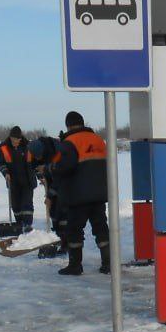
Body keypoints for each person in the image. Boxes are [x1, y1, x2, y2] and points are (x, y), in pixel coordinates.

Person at [49, 110, 109, 276]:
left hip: (78, 195)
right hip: (99, 193)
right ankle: (108, 263)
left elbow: (65, 167)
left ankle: (75, 265)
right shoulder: (98, 140)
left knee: (74, 230)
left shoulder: (69, 142)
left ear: (68, 125)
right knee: (101, 228)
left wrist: (51, 167)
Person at [28, 134, 63, 257]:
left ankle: (65, 241)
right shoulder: (34, 151)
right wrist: (41, 176)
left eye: (40, 156)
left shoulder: (56, 150)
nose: (38, 158)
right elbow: (36, 167)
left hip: (62, 181)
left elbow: (59, 177)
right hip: (51, 178)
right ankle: (56, 237)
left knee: (61, 210)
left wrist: (50, 195)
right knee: (53, 210)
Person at [0, 125, 34, 231]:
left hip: (27, 181)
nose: (16, 141)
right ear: (10, 138)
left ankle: (27, 224)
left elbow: (34, 163)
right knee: (16, 205)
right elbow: (0, 163)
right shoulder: (4, 148)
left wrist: (40, 175)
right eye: (14, 139)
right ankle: (19, 224)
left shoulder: (28, 146)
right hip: (13, 181)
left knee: (27, 203)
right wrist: (6, 173)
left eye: (18, 139)